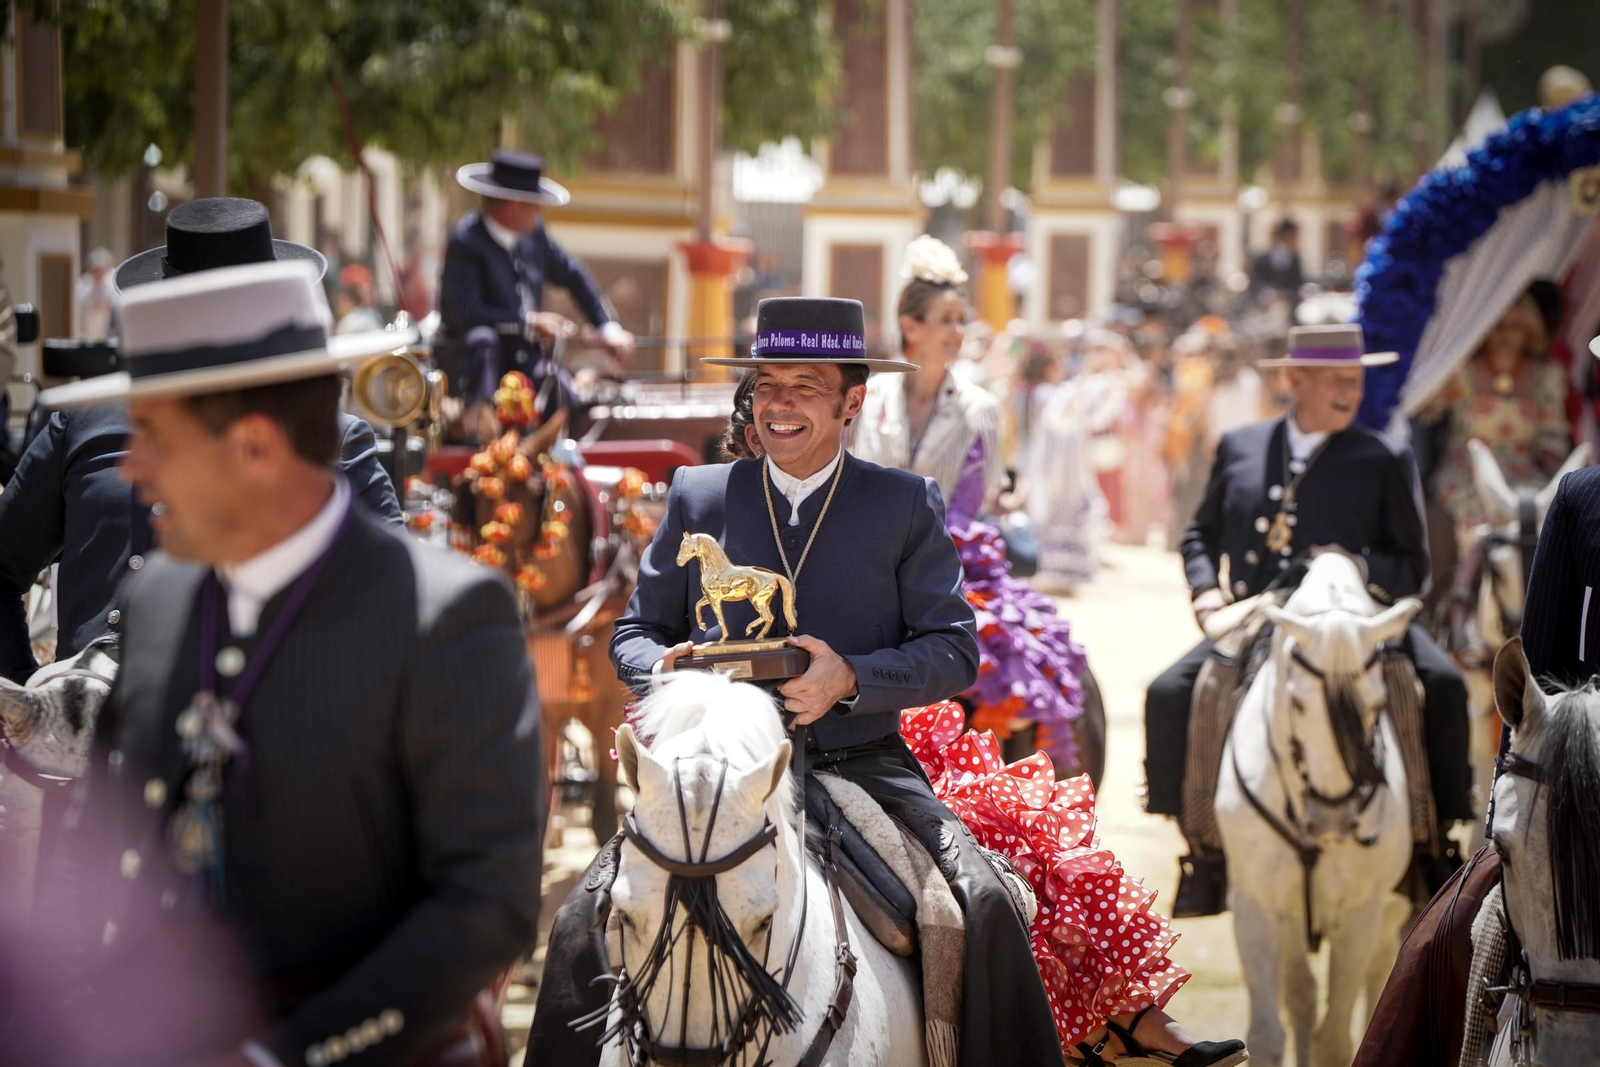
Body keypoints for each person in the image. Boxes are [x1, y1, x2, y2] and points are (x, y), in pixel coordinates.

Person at [2, 259, 545, 1067]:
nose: (129, 466)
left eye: (155, 435)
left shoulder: (451, 619)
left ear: (253, 447)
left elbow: (483, 911)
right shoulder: (157, 606)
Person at [530, 296, 1076, 1067]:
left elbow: (954, 650)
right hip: (710, 775)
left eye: (806, 384)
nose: (779, 402)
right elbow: (634, 632)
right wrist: (665, 668)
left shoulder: (901, 503)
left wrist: (849, 678)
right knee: (580, 915)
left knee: (984, 901)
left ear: (853, 402)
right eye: (767, 382)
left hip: (861, 765)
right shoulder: (699, 494)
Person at [0, 198, 402, 686]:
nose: (137, 467)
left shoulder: (338, 443)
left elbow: (392, 598)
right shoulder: (84, 423)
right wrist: (29, 706)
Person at [1145, 324, 1472, 916]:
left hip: (1355, 615)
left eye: (1356, 380)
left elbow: (1413, 566)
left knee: (1444, 686)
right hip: (1257, 612)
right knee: (1167, 692)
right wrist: (1205, 595)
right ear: (1293, 379)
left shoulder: (1383, 455)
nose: (1352, 391)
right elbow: (1199, 534)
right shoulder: (1241, 445)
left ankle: (1433, 845)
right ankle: (1201, 851)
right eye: (1337, 380)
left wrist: (1356, 564)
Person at [851, 235, 1088, 766]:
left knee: (1006, 649)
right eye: (947, 319)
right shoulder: (866, 399)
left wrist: (910, 562)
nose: (960, 332)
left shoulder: (980, 409)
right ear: (910, 326)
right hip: (862, 556)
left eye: (963, 320)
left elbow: (964, 506)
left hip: (948, 559)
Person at [435, 149, 634, 413]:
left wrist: (607, 326)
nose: (539, 210)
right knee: (483, 341)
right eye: (534, 202)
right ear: (515, 204)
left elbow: (573, 274)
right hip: (476, 369)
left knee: (561, 394)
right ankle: (478, 430)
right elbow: (466, 314)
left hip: (523, 361)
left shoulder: (534, 237)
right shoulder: (466, 242)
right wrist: (530, 322)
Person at [1415, 285, 1571, 531]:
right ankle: (1470, 571)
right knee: (1483, 522)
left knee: (1547, 519)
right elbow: (1423, 412)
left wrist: (1565, 480)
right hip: (1465, 473)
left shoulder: (1546, 377)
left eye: (1516, 327)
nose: (1506, 336)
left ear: (1530, 331)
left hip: (1525, 473)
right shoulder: (1460, 372)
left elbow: (1553, 438)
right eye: (1499, 326)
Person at [1250, 218, 1305, 299]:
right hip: (1265, 301)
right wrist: (1265, 291)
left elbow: (1298, 281)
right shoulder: (1262, 258)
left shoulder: (1294, 258)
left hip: (1288, 299)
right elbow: (1257, 281)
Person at [75, 246, 118, 340]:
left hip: (109, 328)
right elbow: (80, 305)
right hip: (89, 329)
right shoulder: (84, 282)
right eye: (95, 270)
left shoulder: (113, 280)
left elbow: (114, 303)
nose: (98, 273)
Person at [332, 262, 385, 335]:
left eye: (370, 289)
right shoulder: (350, 323)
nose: (369, 294)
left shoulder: (373, 315)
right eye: (364, 290)